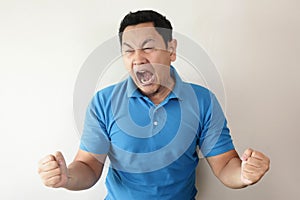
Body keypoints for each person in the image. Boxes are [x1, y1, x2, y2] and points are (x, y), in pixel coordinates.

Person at [38, 10, 270, 199]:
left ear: (171, 50)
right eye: (129, 51)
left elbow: (225, 164)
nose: (138, 58)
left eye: (148, 47)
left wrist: (244, 174)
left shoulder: (203, 101)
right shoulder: (103, 102)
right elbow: (88, 167)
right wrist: (66, 177)